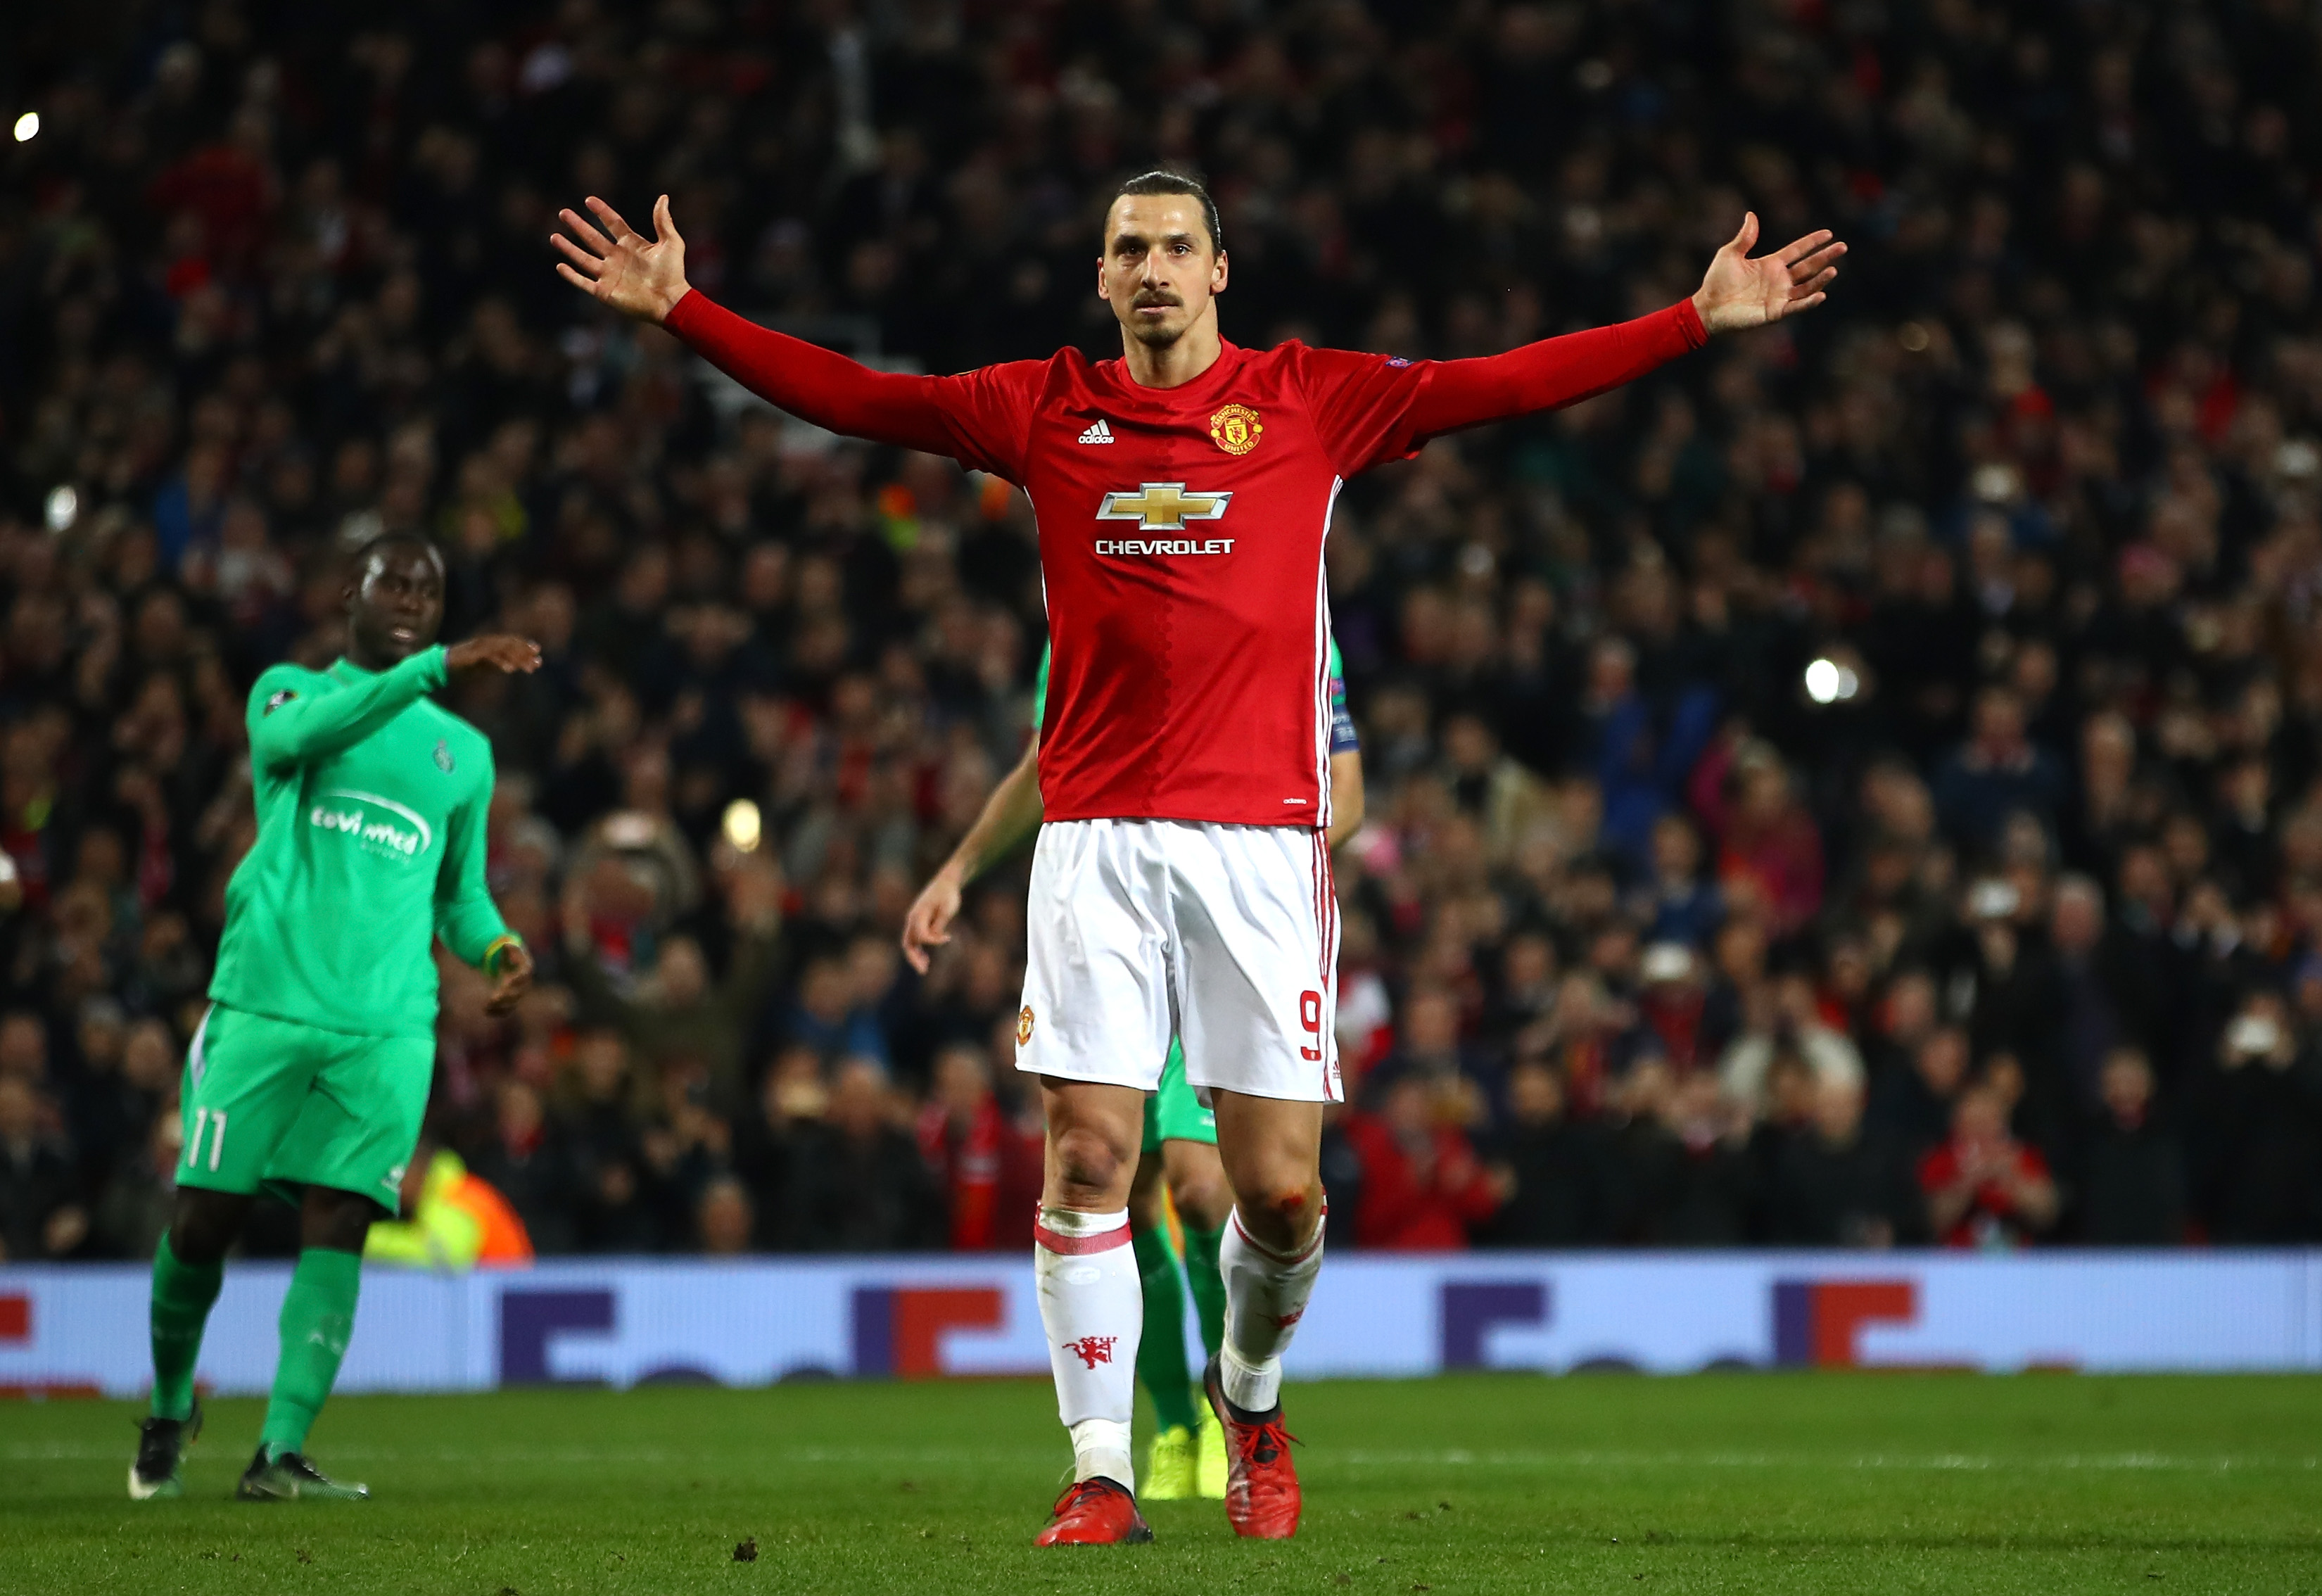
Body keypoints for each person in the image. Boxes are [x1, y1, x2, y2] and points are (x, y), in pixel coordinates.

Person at [557, 169, 1841, 1545]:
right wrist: (688, 311)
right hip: (1096, 837)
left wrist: (1691, 323)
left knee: (1279, 1197)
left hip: (1260, 846)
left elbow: (1506, 384)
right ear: (1101, 278)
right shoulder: (1044, 407)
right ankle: (1101, 1471)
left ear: (1220, 269)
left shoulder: (1310, 399)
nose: (1154, 268)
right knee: (1089, 1153)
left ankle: (1252, 1393)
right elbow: (867, 401)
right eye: (1130, 249)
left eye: (1178, 246)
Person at [900, 636, 1364, 1501]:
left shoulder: (1288, 597)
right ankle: (1168, 1428)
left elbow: (1348, 797)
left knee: (1206, 1186)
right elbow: (1052, 763)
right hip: (1118, 912)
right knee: (1119, 1182)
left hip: (1226, 910)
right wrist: (960, 868)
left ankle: (1231, 1401)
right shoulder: (1087, 601)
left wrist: (1250, 858)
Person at [130, 533, 539, 1502]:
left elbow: (460, 895)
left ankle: (279, 1449)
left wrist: (498, 949)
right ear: (345, 594)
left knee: (342, 1221)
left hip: (389, 1026)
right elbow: (289, 747)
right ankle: (168, 1402)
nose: (409, 598)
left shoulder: (464, 755)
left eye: (428, 590)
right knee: (204, 1222)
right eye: (390, 581)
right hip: (266, 1003)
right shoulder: (287, 690)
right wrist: (437, 669)